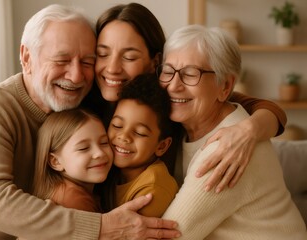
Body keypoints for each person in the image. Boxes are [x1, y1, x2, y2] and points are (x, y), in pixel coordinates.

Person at [0, 4, 180, 240]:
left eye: (88, 62)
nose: (76, 76)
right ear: (27, 57)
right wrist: (101, 226)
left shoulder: (92, 105)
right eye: (62, 60)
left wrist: (221, 135)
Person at [81, 2, 287, 193]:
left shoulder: (169, 100)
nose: (112, 68)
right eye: (102, 54)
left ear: (155, 62)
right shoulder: (85, 107)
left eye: (129, 57)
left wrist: (248, 130)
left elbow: (261, 107)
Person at [160, 24, 307, 239]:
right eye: (167, 71)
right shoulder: (184, 125)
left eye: (190, 74)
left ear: (225, 87)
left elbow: (170, 235)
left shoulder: (224, 150)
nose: (173, 86)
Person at [101, 73, 179, 217]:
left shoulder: (153, 188)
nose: (124, 137)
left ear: (161, 146)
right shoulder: (109, 169)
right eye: (117, 125)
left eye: (140, 133)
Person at [32, 109, 113, 212]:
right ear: (55, 161)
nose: (100, 153)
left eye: (104, 142)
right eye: (83, 148)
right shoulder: (75, 200)